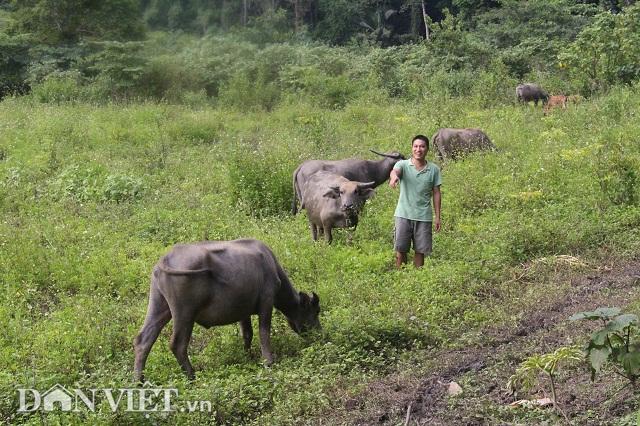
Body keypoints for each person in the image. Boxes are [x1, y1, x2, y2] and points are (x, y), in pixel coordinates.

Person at [389, 135, 442, 268]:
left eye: (422, 146)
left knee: (420, 251)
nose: (419, 149)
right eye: (416, 146)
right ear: (412, 148)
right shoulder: (403, 164)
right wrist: (394, 178)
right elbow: (395, 171)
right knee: (401, 249)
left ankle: (416, 278)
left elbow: (436, 193)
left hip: (423, 216)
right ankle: (401, 277)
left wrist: (438, 217)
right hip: (403, 215)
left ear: (427, 149)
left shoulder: (434, 169)